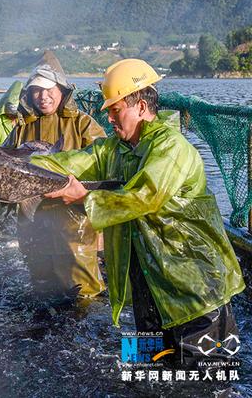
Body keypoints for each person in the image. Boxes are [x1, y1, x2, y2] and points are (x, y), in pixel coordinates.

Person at [38, 58, 245, 365]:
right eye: (108, 110)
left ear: (141, 106)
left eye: (115, 109)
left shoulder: (171, 148)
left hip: (196, 288)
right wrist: (21, 168)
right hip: (146, 287)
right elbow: (66, 163)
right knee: (147, 372)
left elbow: (143, 197)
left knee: (208, 378)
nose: (108, 117)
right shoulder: (113, 149)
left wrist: (84, 197)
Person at [3, 52, 107, 300]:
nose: (43, 96)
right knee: (41, 283)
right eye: (37, 90)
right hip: (32, 218)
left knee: (83, 287)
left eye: (50, 89)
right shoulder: (22, 127)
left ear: (62, 90)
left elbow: (105, 164)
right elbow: (3, 162)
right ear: (28, 94)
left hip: (74, 218)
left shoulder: (83, 123)